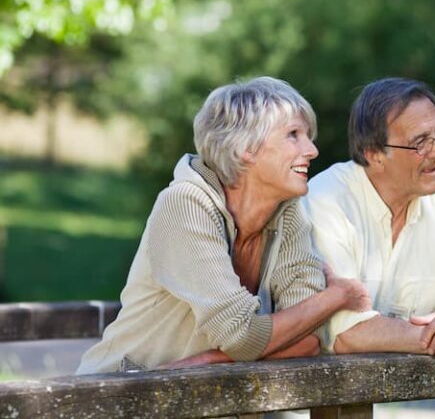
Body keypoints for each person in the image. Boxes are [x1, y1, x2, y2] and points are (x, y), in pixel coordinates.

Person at [77, 76, 370, 374]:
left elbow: (308, 339)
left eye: (308, 135)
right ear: (246, 148)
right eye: (293, 134)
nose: (312, 150)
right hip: (122, 395)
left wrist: (212, 359)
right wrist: (336, 296)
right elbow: (242, 336)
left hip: (203, 395)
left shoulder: (287, 213)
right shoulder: (185, 204)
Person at [302, 77, 435, 388]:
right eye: (420, 142)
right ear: (373, 153)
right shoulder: (325, 201)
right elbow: (343, 332)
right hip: (311, 402)